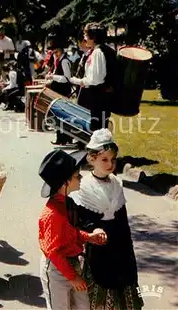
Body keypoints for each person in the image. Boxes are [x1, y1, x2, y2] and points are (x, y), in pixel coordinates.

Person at [68, 129, 143, 310]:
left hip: (119, 247)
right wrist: (92, 231)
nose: (110, 164)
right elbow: (82, 220)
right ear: (92, 159)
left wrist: (129, 253)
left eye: (113, 159)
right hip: (97, 249)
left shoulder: (116, 184)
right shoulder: (85, 186)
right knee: (98, 293)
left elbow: (122, 222)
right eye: (104, 160)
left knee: (123, 290)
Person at [38, 149, 108, 310]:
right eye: (77, 176)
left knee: (83, 306)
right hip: (57, 270)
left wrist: (89, 236)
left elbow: (70, 233)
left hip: (73, 264)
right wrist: (73, 277)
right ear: (65, 183)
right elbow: (52, 251)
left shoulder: (66, 204)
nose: (81, 178)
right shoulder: (53, 214)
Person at [69, 23, 116, 132]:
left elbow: (96, 79)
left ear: (93, 37)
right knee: (99, 126)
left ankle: (100, 148)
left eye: (86, 35)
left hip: (99, 95)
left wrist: (79, 81)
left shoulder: (98, 53)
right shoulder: (98, 51)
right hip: (99, 95)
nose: (84, 38)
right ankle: (100, 147)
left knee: (98, 127)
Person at [44, 36, 74, 146]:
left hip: (63, 91)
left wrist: (53, 77)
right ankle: (60, 138)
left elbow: (67, 78)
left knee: (62, 116)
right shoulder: (58, 61)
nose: (54, 54)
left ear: (61, 50)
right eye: (53, 52)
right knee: (57, 116)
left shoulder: (64, 61)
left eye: (56, 51)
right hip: (57, 92)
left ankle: (65, 138)